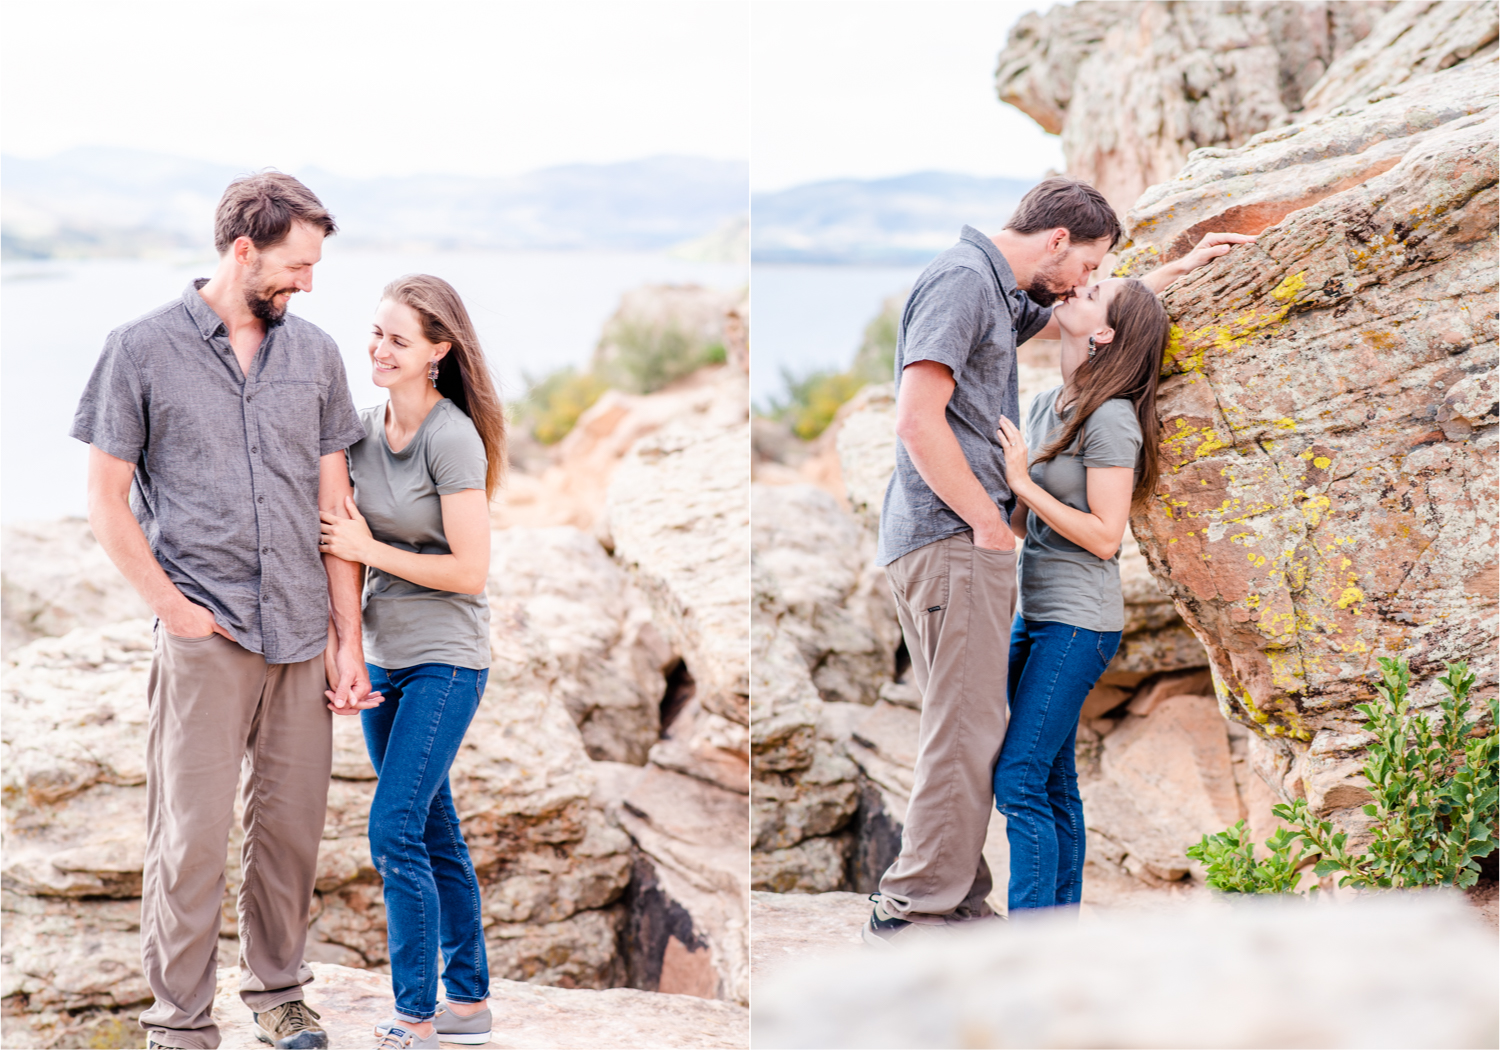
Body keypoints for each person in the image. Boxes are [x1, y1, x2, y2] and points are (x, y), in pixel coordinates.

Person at [863, 176, 1251, 946]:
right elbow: (915, 420)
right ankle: (915, 910)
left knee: (977, 731)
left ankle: (958, 902)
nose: (1084, 283)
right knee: (966, 731)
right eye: (1089, 264)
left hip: (966, 546)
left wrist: (1176, 272)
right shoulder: (964, 281)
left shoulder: (999, 292)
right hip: (954, 536)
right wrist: (990, 522)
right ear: (1058, 240)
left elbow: (1105, 314)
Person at [72, 172, 372, 1049]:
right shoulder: (139, 350)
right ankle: (180, 1024)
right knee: (190, 838)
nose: (308, 283)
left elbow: (336, 508)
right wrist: (174, 610)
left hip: (299, 633)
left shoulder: (315, 355)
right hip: (207, 633)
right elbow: (105, 502)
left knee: (290, 834)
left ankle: (279, 997)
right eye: (296, 265)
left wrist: (346, 638)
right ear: (243, 250)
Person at [316, 275, 505, 1050]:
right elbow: (336, 545)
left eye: (398, 339)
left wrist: (370, 546)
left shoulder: (451, 438)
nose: (379, 349)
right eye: (376, 332)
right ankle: (469, 1004)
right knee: (433, 831)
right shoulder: (360, 434)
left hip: (447, 659)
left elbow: (470, 570)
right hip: (386, 657)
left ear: (438, 352)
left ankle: (416, 1017)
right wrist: (347, 648)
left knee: (393, 829)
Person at [993, 278, 1170, 914]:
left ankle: (1033, 941)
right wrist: (1008, 495)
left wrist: (1022, 482)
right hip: (1035, 613)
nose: (1077, 288)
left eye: (1094, 292)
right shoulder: (1048, 404)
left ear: (1104, 334)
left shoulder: (1113, 417)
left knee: (1018, 781)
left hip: (1079, 624)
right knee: (1052, 779)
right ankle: (1059, 932)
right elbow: (1026, 526)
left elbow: (1103, 535)